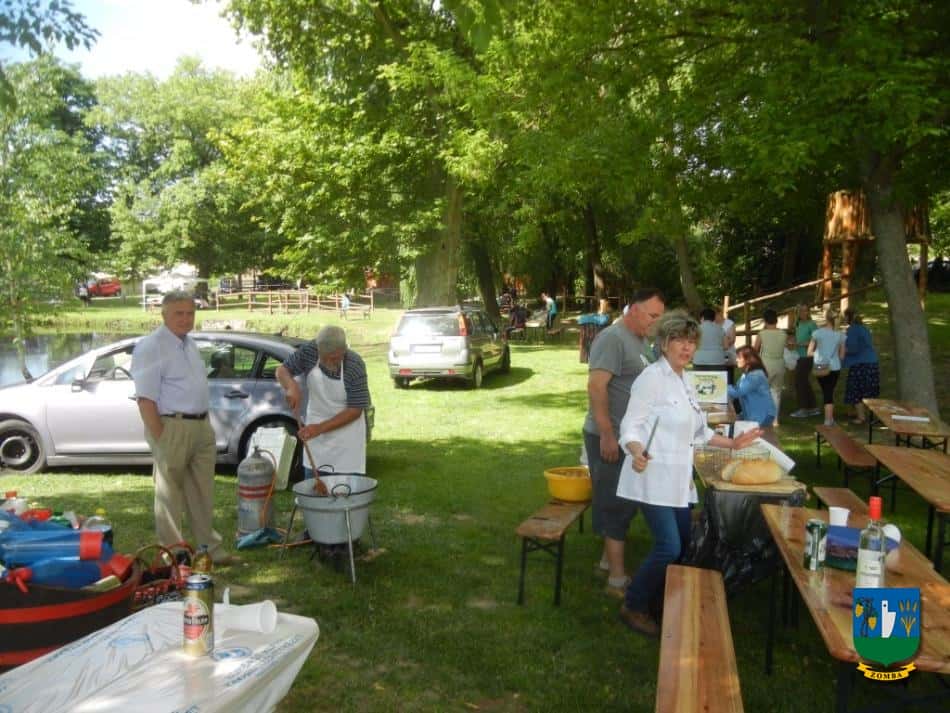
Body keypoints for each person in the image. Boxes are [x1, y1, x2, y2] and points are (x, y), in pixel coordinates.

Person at [617, 311, 762, 636]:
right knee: (669, 546)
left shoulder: (685, 380)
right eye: (679, 340)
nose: (686, 347)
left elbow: (699, 431)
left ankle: (659, 599)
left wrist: (733, 444)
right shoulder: (651, 378)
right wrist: (635, 450)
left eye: (691, 341)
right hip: (651, 477)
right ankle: (634, 604)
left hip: (679, 482)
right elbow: (630, 425)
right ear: (664, 344)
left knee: (683, 544)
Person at [131, 291, 233, 566]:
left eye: (190, 313)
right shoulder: (151, 347)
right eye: (179, 313)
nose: (186, 319)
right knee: (170, 494)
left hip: (201, 426)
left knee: (202, 491)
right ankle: (173, 554)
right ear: (164, 314)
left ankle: (208, 550)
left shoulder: (189, 344)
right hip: (172, 426)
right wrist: (162, 437)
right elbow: (146, 400)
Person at [583, 287, 666, 598]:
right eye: (652, 315)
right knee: (614, 504)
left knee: (625, 502)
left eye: (659, 316)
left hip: (629, 439)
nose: (656, 322)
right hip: (609, 437)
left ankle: (607, 561)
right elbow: (596, 387)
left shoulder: (641, 341)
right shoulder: (612, 338)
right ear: (634, 310)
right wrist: (607, 433)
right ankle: (616, 579)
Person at [276, 325, 371, 478]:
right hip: (315, 430)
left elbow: (355, 410)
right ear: (318, 348)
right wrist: (291, 386)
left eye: (333, 358)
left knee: (346, 489)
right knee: (313, 486)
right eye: (324, 356)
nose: (327, 361)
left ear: (344, 350)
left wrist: (320, 428)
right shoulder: (309, 351)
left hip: (347, 437)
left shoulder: (354, 365)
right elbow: (282, 371)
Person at [808, 309, 847, 426]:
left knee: (826, 391)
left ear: (826, 318)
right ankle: (829, 420)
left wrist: (820, 355)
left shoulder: (817, 333)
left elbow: (809, 352)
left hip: (820, 366)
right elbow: (842, 356)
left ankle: (829, 419)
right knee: (829, 392)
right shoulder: (840, 335)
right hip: (834, 367)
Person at [842, 308, 880, 424]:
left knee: (856, 390)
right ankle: (869, 415)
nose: (844, 319)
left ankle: (861, 417)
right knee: (869, 390)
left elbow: (853, 348)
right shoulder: (864, 328)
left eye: (845, 316)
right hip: (872, 362)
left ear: (849, 317)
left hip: (861, 364)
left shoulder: (852, 329)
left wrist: (841, 350)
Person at [753, 308, 787, 425]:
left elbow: (755, 350)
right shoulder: (783, 334)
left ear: (765, 320)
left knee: (761, 391)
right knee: (776, 393)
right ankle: (775, 419)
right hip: (780, 364)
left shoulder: (762, 333)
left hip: (766, 364)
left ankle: (761, 416)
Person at [729, 346, 776, 428]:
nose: (736, 360)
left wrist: (721, 387)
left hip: (762, 416)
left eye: (739, 357)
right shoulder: (746, 374)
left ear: (748, 359)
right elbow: (735, 389)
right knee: (730, 427)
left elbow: (738, 392)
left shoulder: (755, 375)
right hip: (753, 414)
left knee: (733, 429)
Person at [790, 304, 821, 417]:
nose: (802, 313)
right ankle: (813, 408)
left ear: (808, 312)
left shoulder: (812, 324)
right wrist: (792, 342)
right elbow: (796, 336)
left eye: (805, 311)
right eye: (800, 311)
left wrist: (801, 344)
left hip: (808, 356)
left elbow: (816, 341)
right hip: (798, 356)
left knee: (799, 381)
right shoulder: (797, 323)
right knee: (804, 381)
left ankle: (803, 409)